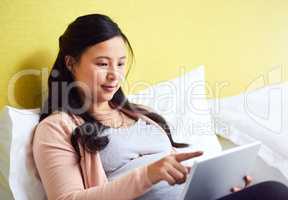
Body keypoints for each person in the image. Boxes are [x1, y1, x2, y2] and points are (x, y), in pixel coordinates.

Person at [32, 13, 288, 200]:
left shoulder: (140, 113)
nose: (115, 75)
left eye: (120, 64)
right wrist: (147, 175)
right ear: (71, 63)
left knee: (270, 192)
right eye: (102, 64)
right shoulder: (57, 127)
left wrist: (221, 186)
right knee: (275, 193)